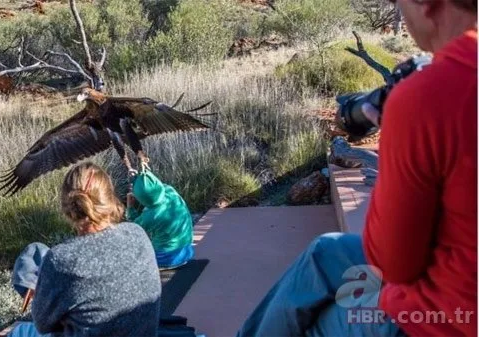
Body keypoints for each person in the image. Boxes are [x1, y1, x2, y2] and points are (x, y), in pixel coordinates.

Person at [236, 0, 477, 336]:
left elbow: (395, 264)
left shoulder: (429, 96)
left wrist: (397, 141)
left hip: (448, 320)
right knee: (326, 252)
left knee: (317, 322)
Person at [10, 162, 162, 337]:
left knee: (21, 332)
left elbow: (43, 325)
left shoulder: (60, 260)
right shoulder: (137, 233)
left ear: (68, 208)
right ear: (109, 198)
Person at [126, 168, 194, 270]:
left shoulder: (150, 217)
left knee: (131, 255)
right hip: (187, 251)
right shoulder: (171, 191)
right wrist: (138, 178)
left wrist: (130, 207)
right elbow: (153, 187)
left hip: (165, 258)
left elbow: (133, 227)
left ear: (140, 198)